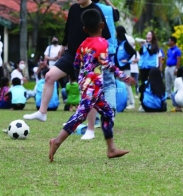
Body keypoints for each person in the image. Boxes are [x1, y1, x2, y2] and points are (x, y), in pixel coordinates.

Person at [48, 9, 134, 162]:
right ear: (102, 25)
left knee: (107, 113)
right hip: (93, 84)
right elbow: (106, 63)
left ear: (85, 29)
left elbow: (76, 63)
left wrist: (80, 78)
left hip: (86, 82)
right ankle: (56, 141)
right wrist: (123, 76)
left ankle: (111, 149)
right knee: (81, 114)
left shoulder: (83, 44)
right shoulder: (103, 43)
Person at [25, 0, 112, 123]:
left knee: (88, 91)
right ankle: (42, 112)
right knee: (49, 76)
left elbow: (105, 36)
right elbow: (68, 29)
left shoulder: (96, 11)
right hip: (71, 54)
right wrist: (63, 46)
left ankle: (90, 128)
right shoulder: (73, 9)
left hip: (89, 57)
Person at [83, 0, 119, 140]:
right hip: (110, 49)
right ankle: (109, 114)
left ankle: (95, 117)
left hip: (94, 49)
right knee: (110, 84)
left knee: (94, 84)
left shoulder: (89, 9)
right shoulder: (109, 10)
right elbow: (117, 14)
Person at [114, 26, 137, 109]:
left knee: (127, 85)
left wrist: (127, 60)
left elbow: (133, 52)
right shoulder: (116, 42)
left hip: (125, 68)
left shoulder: (125, 43)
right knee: (119, 86)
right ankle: (123, 102)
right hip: (117, 68)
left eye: (115, 31)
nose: (114, 33)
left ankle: (132, 103)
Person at [137, 30, 161, 103]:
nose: (148, 36)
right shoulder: (144, 45)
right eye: (147, 35)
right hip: (144, 67)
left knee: (150, 83)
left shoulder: (155, 45)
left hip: (151, 68)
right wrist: (141, 46)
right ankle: (142, 100)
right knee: (143, 83)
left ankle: (152, 99)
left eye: (150, 35)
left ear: (153, 36)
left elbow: (151, 53)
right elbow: (141, 53)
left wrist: (146, 45)